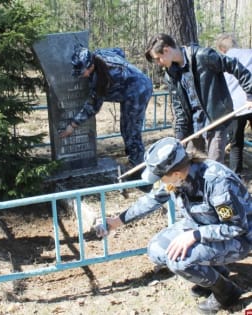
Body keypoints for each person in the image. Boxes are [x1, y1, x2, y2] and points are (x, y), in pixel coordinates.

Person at [94, 137, 252, 313]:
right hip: (200, 224)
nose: (160, 181)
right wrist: (117, 221)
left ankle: (226, 293)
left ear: (176, 174)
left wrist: (195, 235)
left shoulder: (217, 182)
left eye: (161, 177)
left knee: (178, 260)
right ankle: (217, 274)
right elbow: (151, 200)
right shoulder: (179, 176)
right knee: (157, 249)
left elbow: (236, 227)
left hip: (238, 237)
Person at [144, 33, 252, 164]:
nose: (158, 63)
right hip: (194, 124)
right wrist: (180, 137)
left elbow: (235, 66)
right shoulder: (171, 75)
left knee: (214, 165)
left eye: (158, 59)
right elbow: (179, 109)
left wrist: (250, 94)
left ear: (166, 50)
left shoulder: (203, 56)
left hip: (216, 120)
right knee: (190, 165)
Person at [60, 44, 153, 177]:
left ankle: (140, 170)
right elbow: (119, 51)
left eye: (82, 72)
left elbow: (92, 107)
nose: (81, 76)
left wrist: (72, 125)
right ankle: (134, 160)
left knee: (131, 132)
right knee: (125, 128)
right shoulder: (99, 55)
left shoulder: (101, 79)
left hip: (139, 92)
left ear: (91, 66)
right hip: (130, 90)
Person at [215, 33, 252, 177]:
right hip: (248, 101)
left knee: (236, 143)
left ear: (222, 49)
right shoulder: (249, 53)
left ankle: (235, 175)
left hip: (236, 107)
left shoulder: (222, 59)